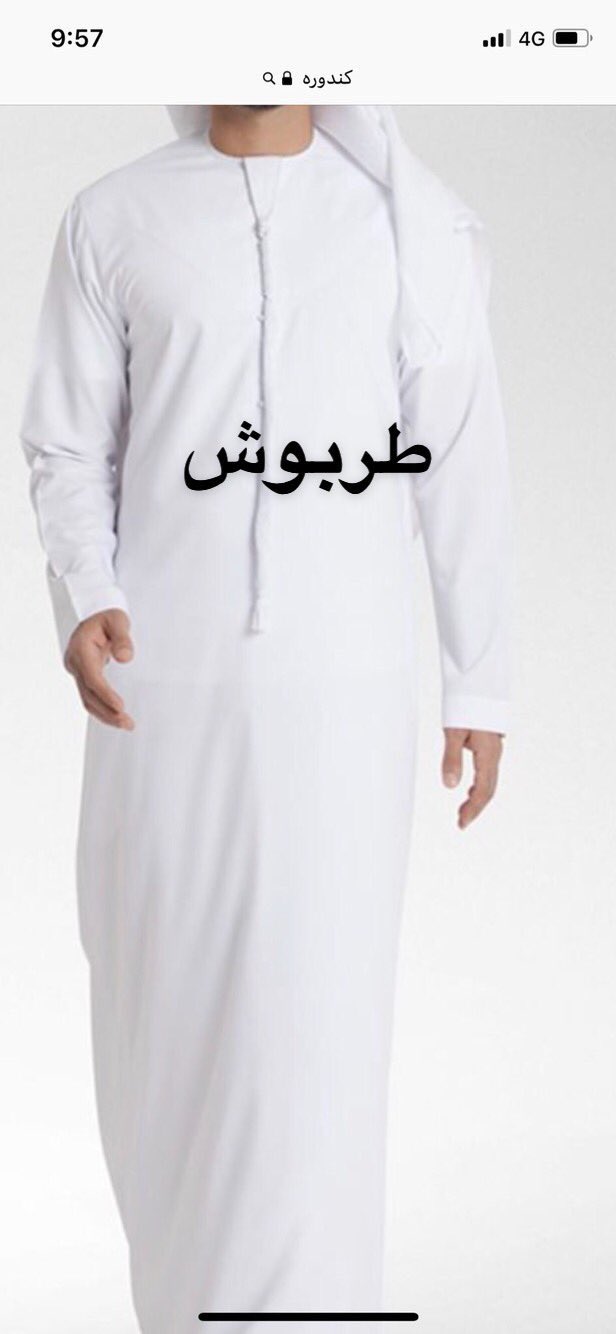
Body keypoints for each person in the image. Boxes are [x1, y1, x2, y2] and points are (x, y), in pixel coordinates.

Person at [20, 104, 512, 1331]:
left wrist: (479, 676)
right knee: (163, 1031)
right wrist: (86, 593)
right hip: (158, 700)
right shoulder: (112, 218)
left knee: (316, 1041)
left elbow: (460, 455)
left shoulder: (412, 229)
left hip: (344, 703)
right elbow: (67, 446)